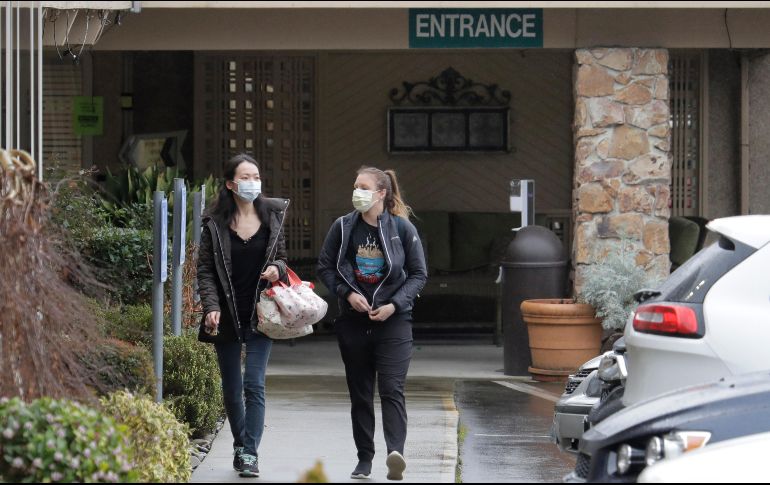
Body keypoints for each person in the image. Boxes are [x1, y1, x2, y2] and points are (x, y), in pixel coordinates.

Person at [317, 166, 428, 481]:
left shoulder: (402, 229)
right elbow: (325, 267)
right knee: (360, 393)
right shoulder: (342, 227)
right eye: (355, 186)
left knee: (392, 388)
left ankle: (396, 454)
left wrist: (395, 305)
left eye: (364, 187)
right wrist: (346, 294)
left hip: (394, 322)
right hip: (353, 322)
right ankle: (364, 458)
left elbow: (419, 274)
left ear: (381, 193)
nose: (357, 192)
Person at [196, 153, 290, 478]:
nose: (253, 182)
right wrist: (211, 307)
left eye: (256, 176)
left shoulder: (273, 217)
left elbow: (282, 259)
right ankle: (240, 444)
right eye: (246, 177)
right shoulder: (214, 224)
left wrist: (277, 270)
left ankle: (249, 453)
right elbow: (205, 270)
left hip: (262, 314)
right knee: (232, 389)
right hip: (226, 314)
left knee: (254, 384)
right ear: (230, 184)